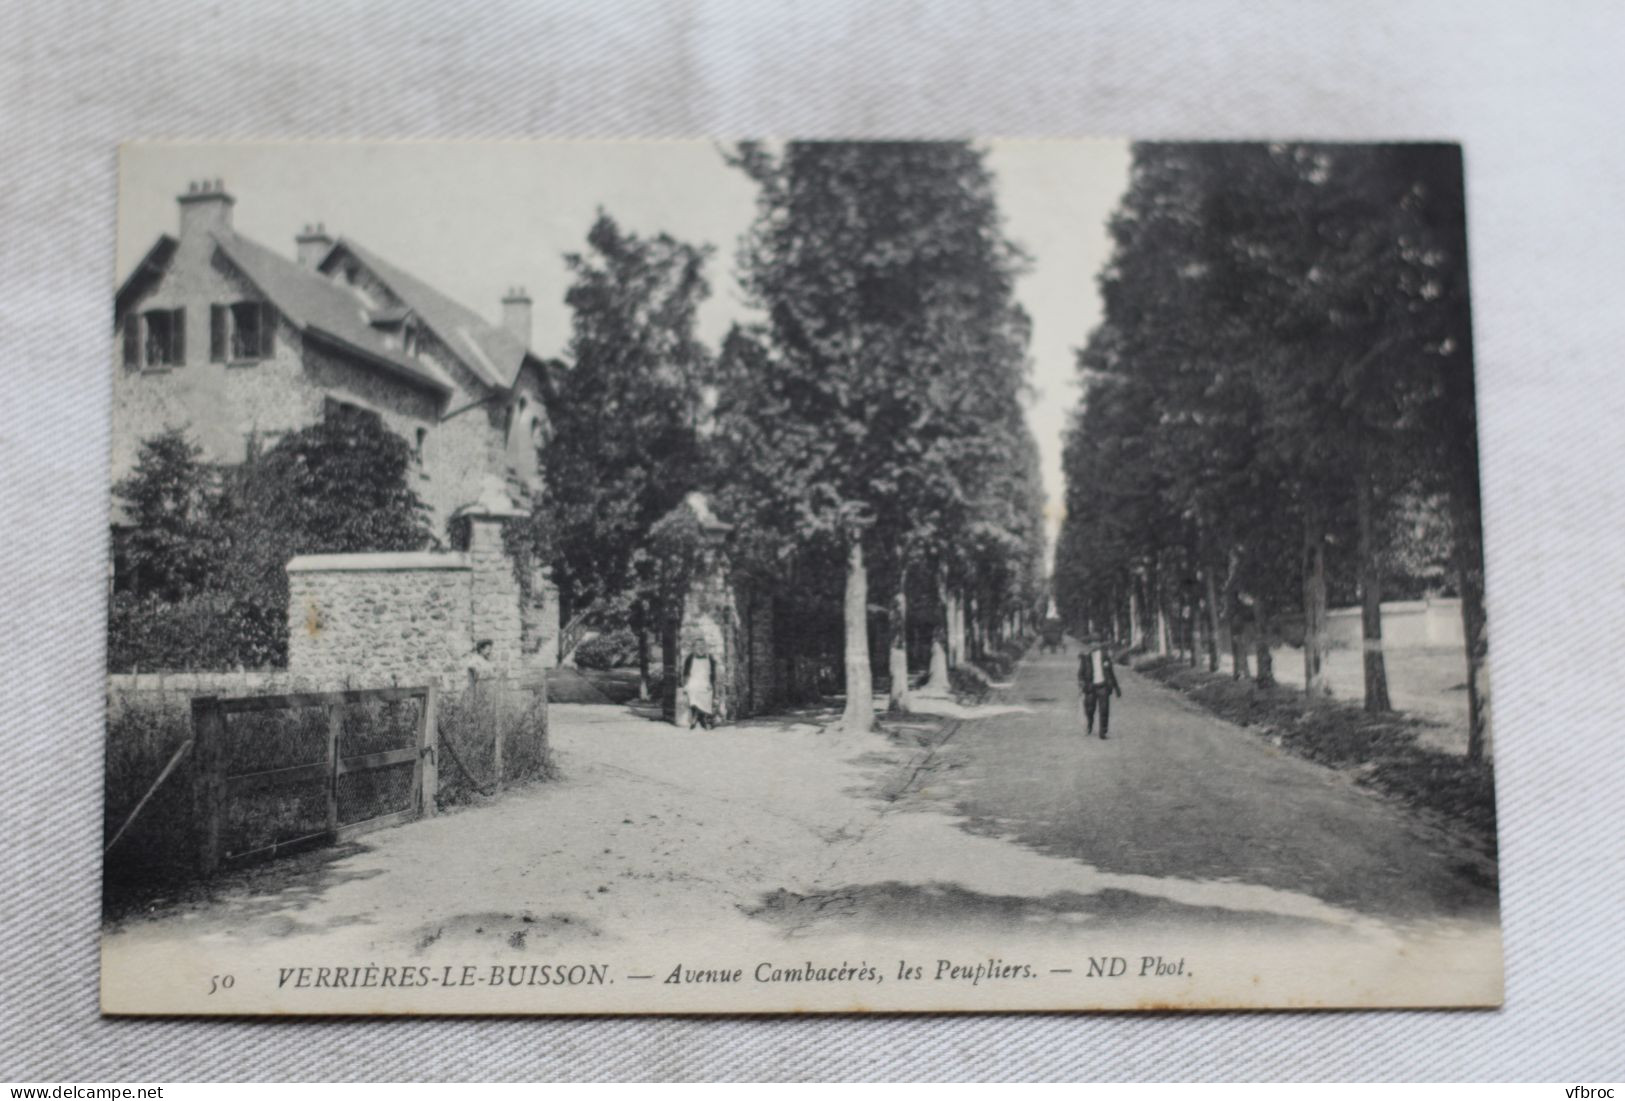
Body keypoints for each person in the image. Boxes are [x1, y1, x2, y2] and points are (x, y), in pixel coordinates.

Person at [1077, 639, 1122, 739]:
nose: (1094, 645)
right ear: (1089, 645)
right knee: (1089, 709)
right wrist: (1081, 682)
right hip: (1090, 687)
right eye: (1091, 643)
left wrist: (1116, 688)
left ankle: (1103, 731)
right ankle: (1090, 725)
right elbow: (1080, 673)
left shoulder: (1105, 656)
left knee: (1104, 709)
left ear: (1099, 644)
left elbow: (1111, 672)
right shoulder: (1086, 658)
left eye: (1096, 642)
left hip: (1103, 686)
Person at [682, 639, 717, 730]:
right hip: (693, 680)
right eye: (698, 645)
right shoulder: (690, 658)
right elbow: (685, 673)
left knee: (706, 692)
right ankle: (699, 718)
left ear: (705, 647)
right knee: (693, 690)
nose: (700, 647)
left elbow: (713, 673)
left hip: (705, 681)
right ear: (694, 647)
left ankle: (697, 717)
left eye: (702, 645)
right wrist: (685, 684)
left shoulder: (709, 657)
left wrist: (711, 683)